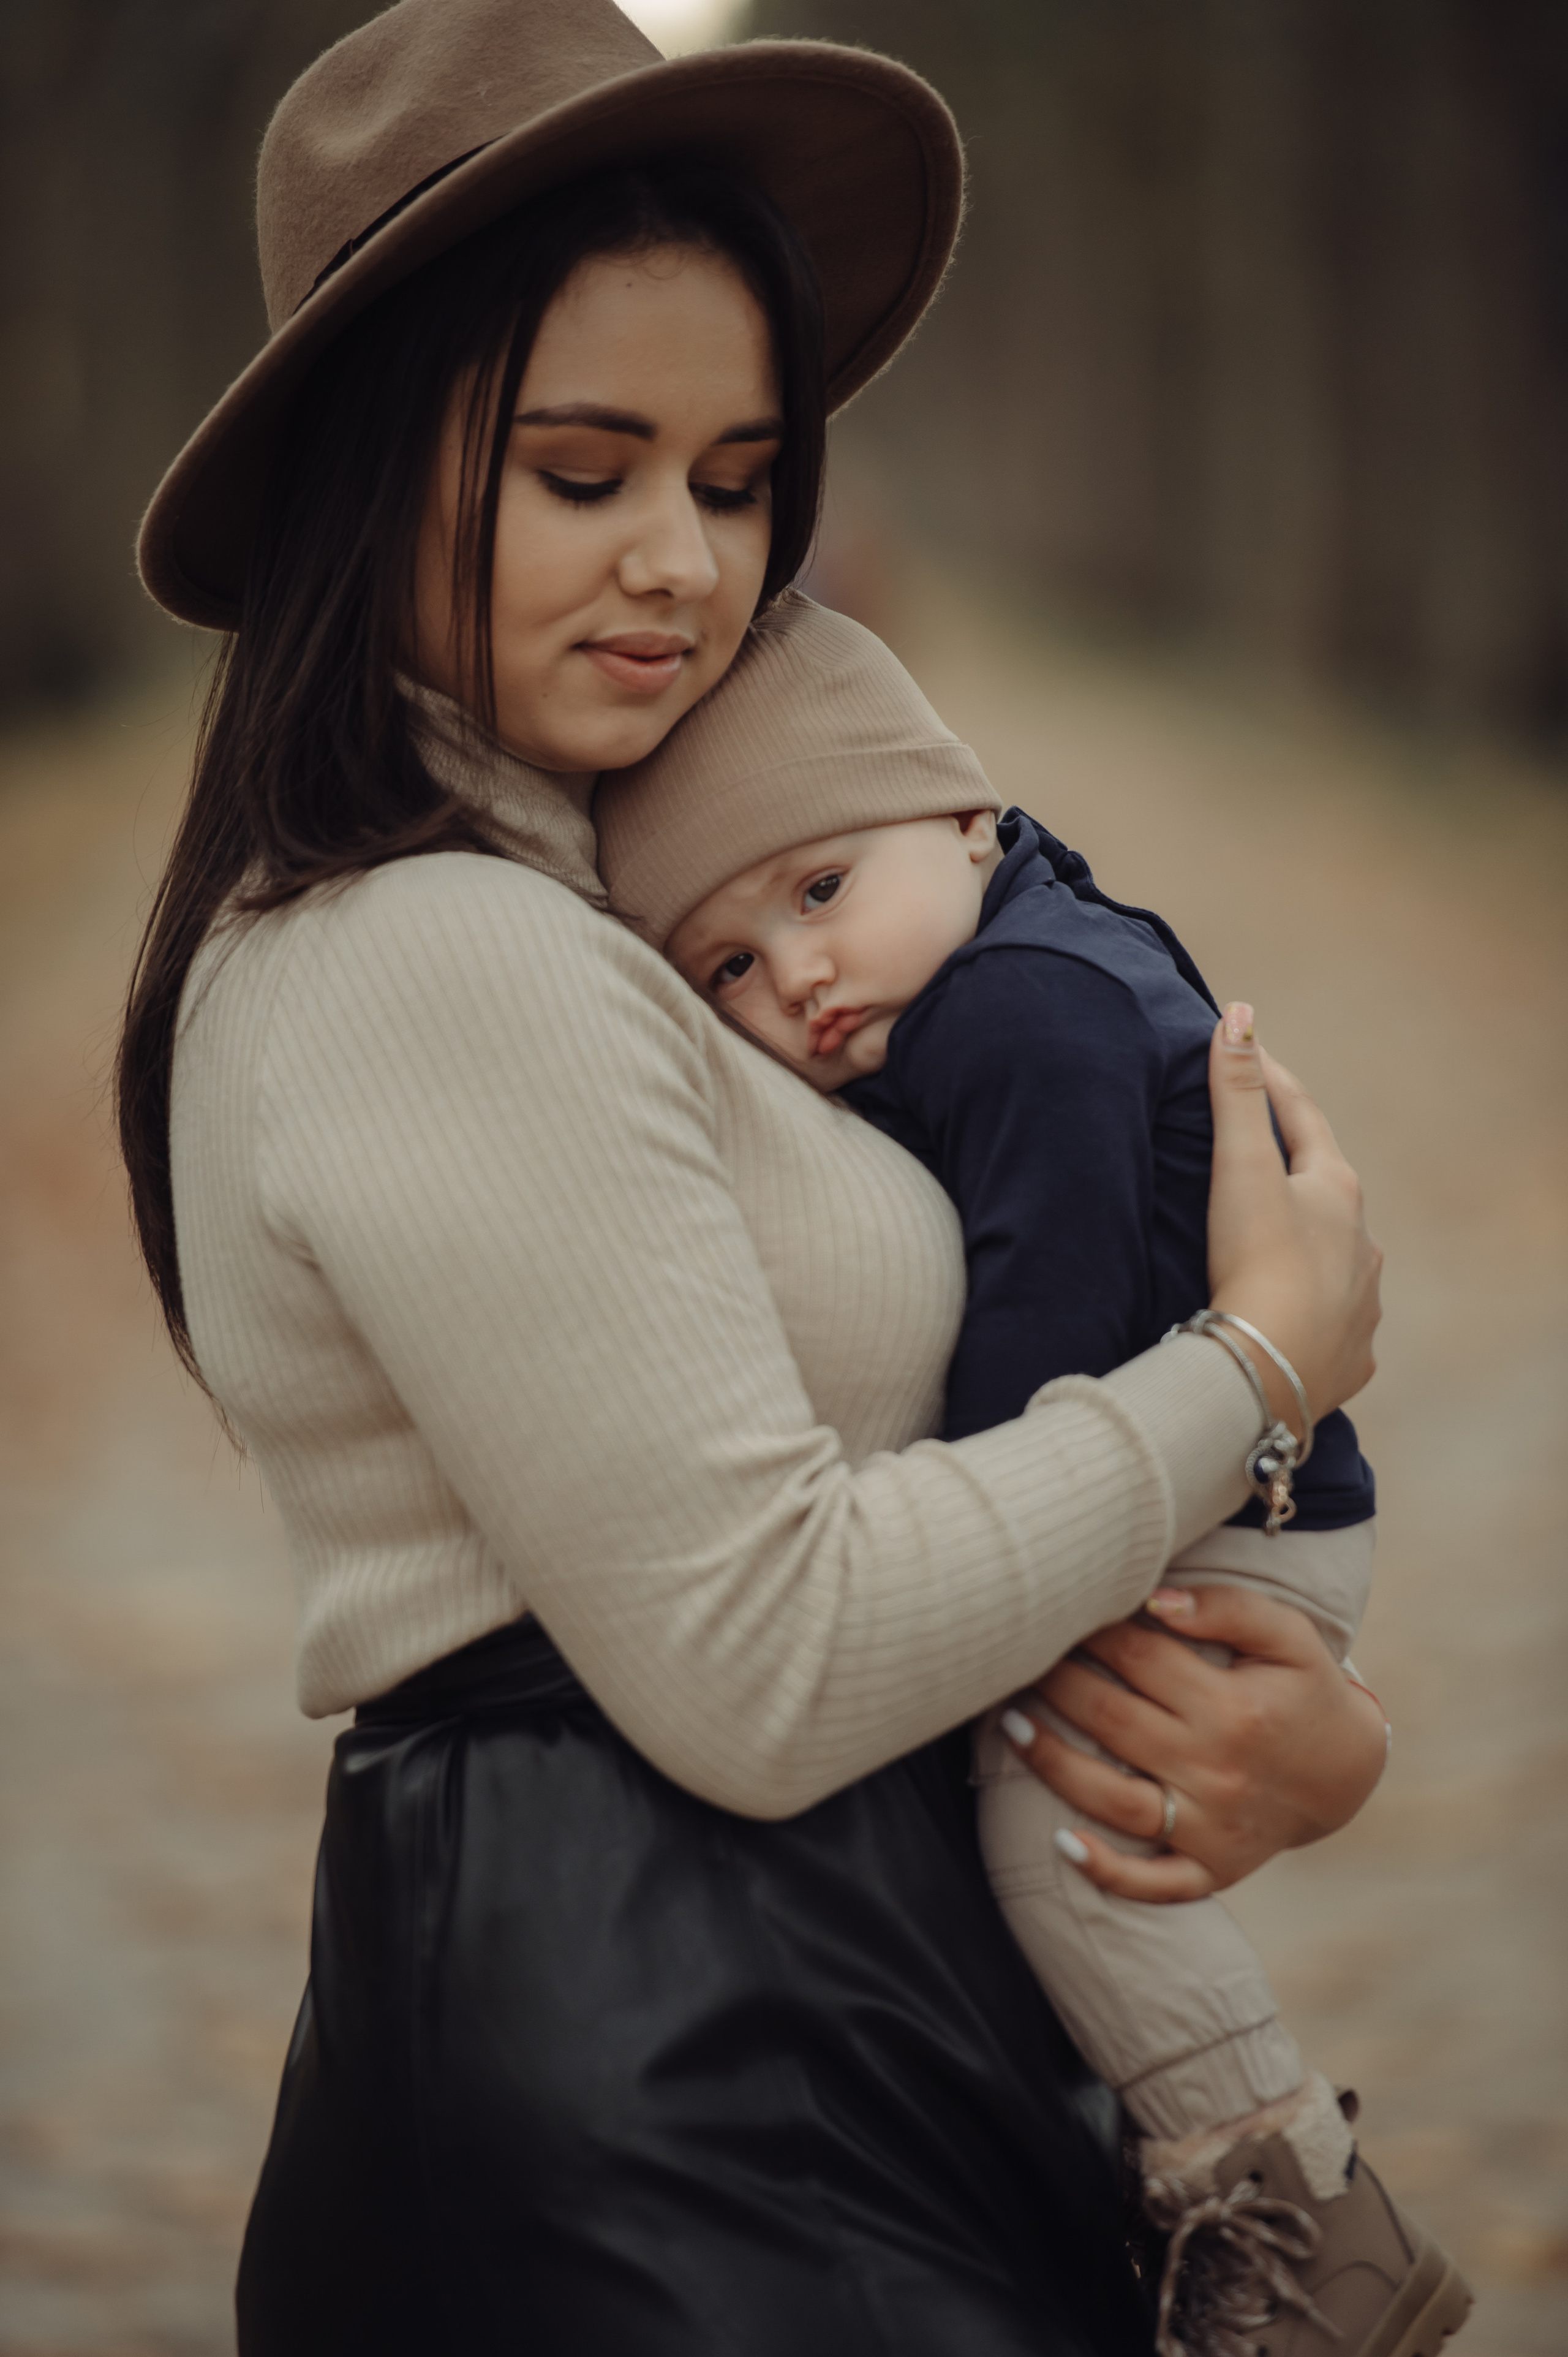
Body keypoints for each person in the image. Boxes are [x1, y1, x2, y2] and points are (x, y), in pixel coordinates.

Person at [118, 2, 1389, 2349]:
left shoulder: (605, 912)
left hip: (803, 2019)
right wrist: (1258, 1368)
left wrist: (1292, 1728)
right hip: (665, 2083)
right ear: (370, 466)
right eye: (583, 472)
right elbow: (767, 1658)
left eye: (732, 477)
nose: (684, 565)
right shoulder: (432, 959)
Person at [597, 590, 1474, 2357]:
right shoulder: (1031, 948)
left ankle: (1284, 2206)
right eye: (731, 970)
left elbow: (1047, 1328)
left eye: (822, 891)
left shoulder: (1013, 1017)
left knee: (1055, 1846)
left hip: (1221, 1518)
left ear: (967, 820)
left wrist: (946, 1562)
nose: (803, 975)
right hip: (1241, 1488)